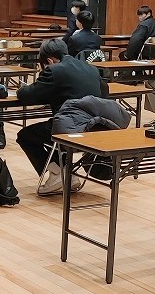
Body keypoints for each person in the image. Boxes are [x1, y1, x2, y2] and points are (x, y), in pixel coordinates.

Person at [16, 38, 105, 194]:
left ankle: (58, 173)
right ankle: (68, 174)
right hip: (96, 127)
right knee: (52, 127)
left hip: (71, 129)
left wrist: (22, 88)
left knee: (25, 135)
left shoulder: (54, 70)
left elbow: (26, 96)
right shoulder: (91, 68)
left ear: (49, 61)